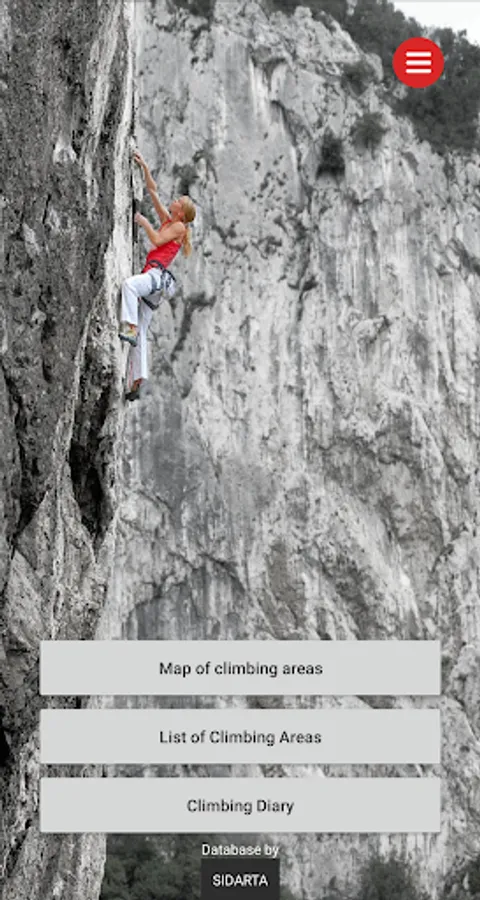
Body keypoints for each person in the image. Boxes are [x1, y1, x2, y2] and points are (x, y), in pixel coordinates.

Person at [119, 149, 196, 401]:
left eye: (178, 201)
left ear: (181, 212)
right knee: (143, 328)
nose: (174, 200)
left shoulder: (178, 227)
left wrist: (143, 223)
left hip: (155, 276)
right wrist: (144, 167)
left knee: (129, 286)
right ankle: (138, 380)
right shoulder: (170, 220)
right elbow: (152, 192)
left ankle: (128, 326)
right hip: (157, 283)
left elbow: (156, 240)